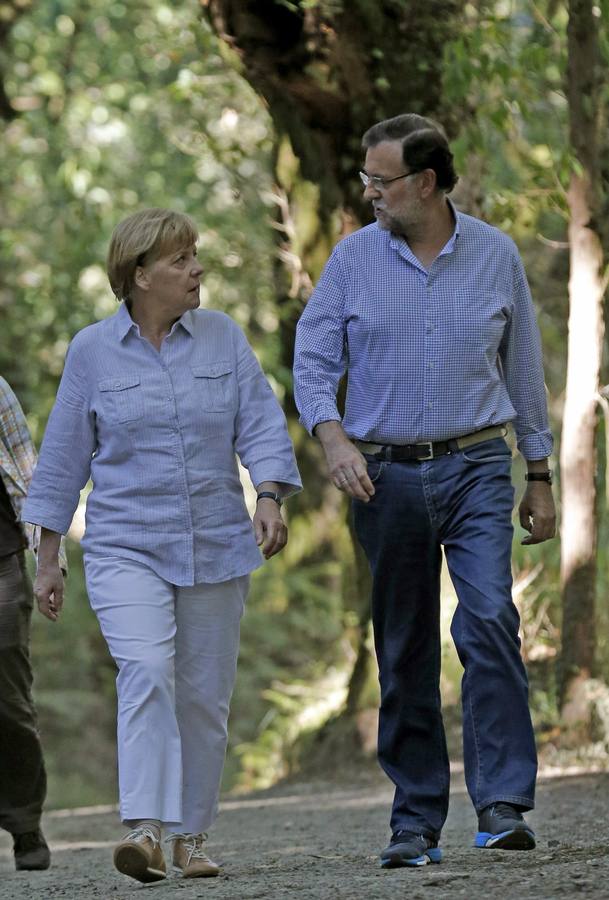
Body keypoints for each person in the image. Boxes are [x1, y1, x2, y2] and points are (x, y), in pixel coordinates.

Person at [293, 114, 556, 867]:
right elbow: (311, 360)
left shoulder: (495, 255)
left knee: (488, 620)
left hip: (476, 464)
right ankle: (413, 819)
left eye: (382, 181)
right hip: (383, 476)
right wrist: (332, 435)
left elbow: (523, 372)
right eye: (366, 180)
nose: (369, 193)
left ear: (427, 183)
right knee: (403, 645)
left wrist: (536, 474)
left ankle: (502, 801)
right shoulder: (351, 261)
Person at [22, 208, 301, 883]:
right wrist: (50, 555)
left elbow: (260, 424)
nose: (196, 269)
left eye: (195, 255)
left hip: (215, 542)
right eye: (179, 260)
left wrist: (268, 493)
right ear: (139, 274)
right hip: (126, 545)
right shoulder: (92, 350)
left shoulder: (223, 339)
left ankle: (189, 836)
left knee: (204, 697)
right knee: (145, 671)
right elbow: (62, 459)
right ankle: (145, 830)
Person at [0, 377, 51, 871]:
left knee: (8, 701)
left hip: (0, 565)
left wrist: (47, 559)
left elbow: (25, 477)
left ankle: (24, 822)